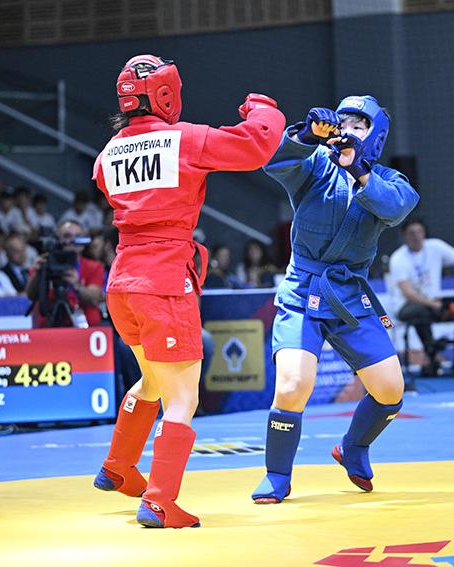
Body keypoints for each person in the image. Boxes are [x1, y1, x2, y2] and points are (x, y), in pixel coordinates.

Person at [90, 54, 284, 528]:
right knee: (182, 399)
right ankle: (160, 501)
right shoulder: (185, 139)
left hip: (123, 282)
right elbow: (257, 145)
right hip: (163, 282)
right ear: (165, 94)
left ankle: (117, 467)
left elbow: (107, 187)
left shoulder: (108, 152)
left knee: (153, 380)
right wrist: (263, 108)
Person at [251, 96, 418, 504]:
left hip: (349, 296)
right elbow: (275, 162)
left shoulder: (389, 180)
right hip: (302, 290)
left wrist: (358, 168)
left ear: (375, 136)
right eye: (343, 123)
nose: (348, 130)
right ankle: (277, 475)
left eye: (359, 125)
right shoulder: (314, 163)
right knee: (293, 384)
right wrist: (306, 136)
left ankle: (353, 447)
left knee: (390, 390)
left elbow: (397, 208)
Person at [387, 218, 454, 376]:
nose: (416, 236)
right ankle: (431, 356)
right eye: (411, 233)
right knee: (420, 311)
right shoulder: (398, 258)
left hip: (435, 303)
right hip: (407, 305)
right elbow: (408, 293)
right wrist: (433, 304)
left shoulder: (436, 247)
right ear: (404, 236)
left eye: (419, 232)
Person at [25, 219, 105, 327]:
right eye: (67, 236)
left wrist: (76, 285)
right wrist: (39, 274)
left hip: (86, 328)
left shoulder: (94, 267)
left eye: (77, 236)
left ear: (82, 243)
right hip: (48, 326)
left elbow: (94, 299)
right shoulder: (44, 262)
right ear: (56, 240)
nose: (72, 240)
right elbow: (31, 295)